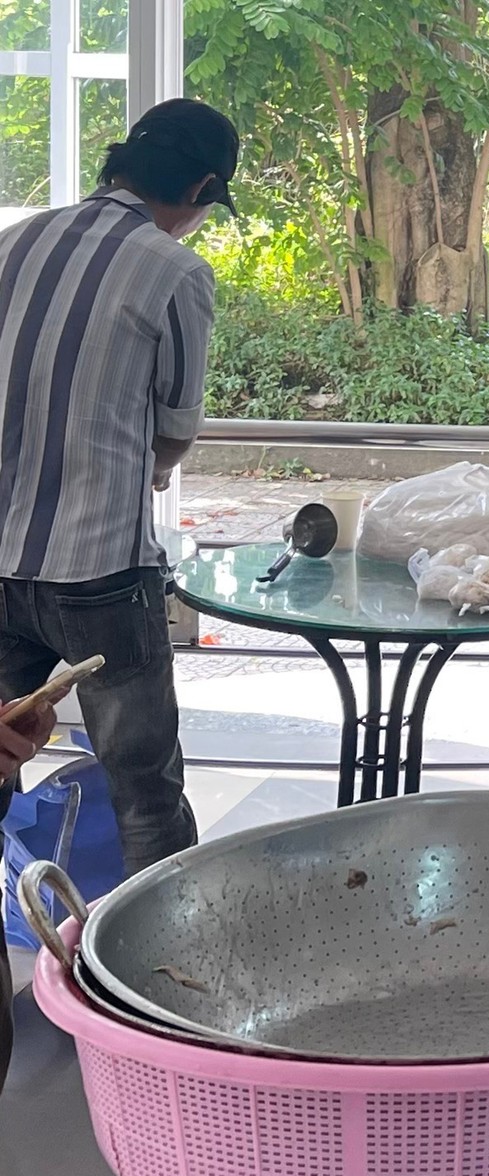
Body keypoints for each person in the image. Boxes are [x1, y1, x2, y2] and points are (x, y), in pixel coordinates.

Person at [0, 98, 237, 872]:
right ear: (202, 186)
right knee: (146, 797)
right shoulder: (175, 272)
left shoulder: (12, 242)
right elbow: (175, 429)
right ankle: (148, 983)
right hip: (101, 574)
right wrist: (154, 463)